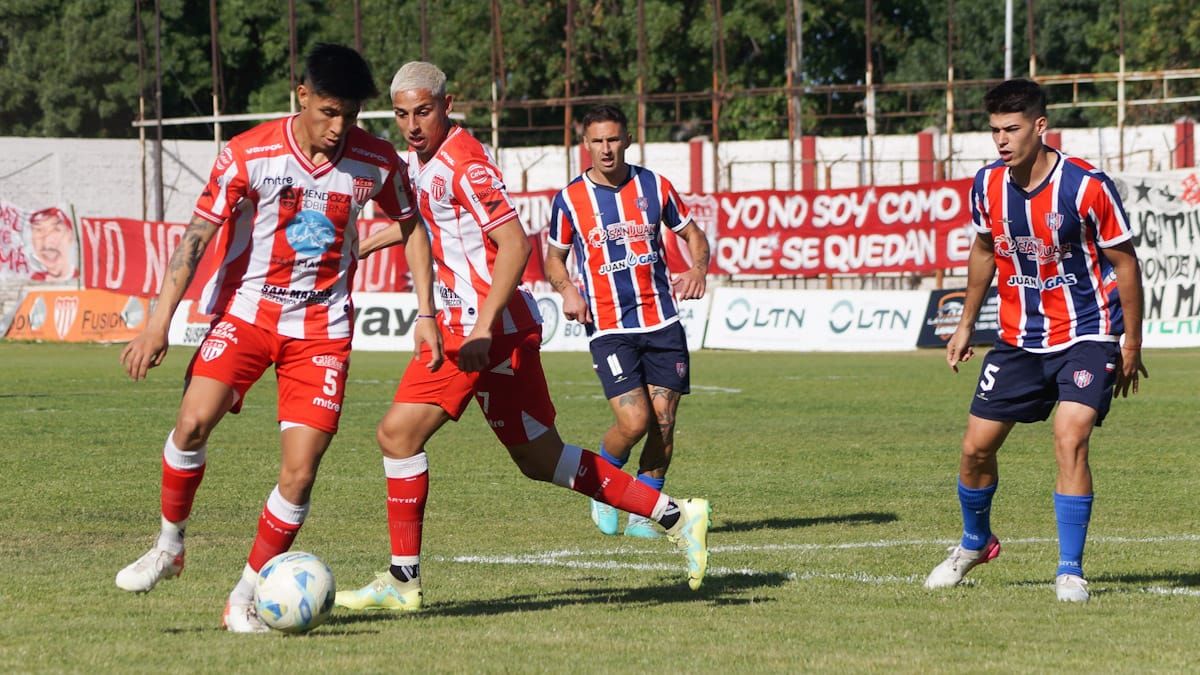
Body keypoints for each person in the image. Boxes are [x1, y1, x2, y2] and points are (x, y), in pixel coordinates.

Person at [335, 62, 712, 613]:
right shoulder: (423, 160)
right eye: (401, 115)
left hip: (479, 331)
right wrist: (364, 246)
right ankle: (676, 515)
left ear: (446, 105)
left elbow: (515, 245)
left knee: (397, 436)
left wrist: (484, 327)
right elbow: (429, 223)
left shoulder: (465, 163)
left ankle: (402, 580)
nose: (412, 125)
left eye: (422, 112)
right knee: (541, 460)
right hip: (493, 331)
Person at [113, 44, 434, 632]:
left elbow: (413, 227)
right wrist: (159, 322)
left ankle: (243, 598)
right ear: (302, 96)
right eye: (330, 112)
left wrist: (427, 313)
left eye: (352, 116)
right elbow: (197, 236)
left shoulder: (377, 161)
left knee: (300, 472)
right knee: (191, 422)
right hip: (247, 317)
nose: (340, 129)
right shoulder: (248, 153)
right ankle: (168, 544)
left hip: (322, 334)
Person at [923, 79, 1147, 603]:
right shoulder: (986, 185)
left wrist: (1131, 341)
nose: (1001, 140)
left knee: (1071, 435)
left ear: (1040, 127)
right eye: (995, 130)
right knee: (975, 449)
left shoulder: (1087, 185)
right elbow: (983, 250)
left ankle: (1070, 570)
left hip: (1087, 331)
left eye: (1012, 129)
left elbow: (1125, 261)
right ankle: (975, 543)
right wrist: (965, 323)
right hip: (1019, 338)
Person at [543, 104, 710, 539]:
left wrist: (697, 269)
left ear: (627, 140)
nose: (606, 149)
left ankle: (645, 512)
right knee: (635, 423)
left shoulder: (654, 185)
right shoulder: (570, 200)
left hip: (662, 321)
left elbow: (693, 234)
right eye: (597, 141)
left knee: (665, 421)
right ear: (585, 144)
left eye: (613, 139)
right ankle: (604, 490)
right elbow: (554, 259)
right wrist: (567, 290)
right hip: (609, 327)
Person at [26, 207, 78, 282]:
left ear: (70, 236)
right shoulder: (32, 280)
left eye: (56, 230)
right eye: (38, 230)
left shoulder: (84, 280)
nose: (47, 243)